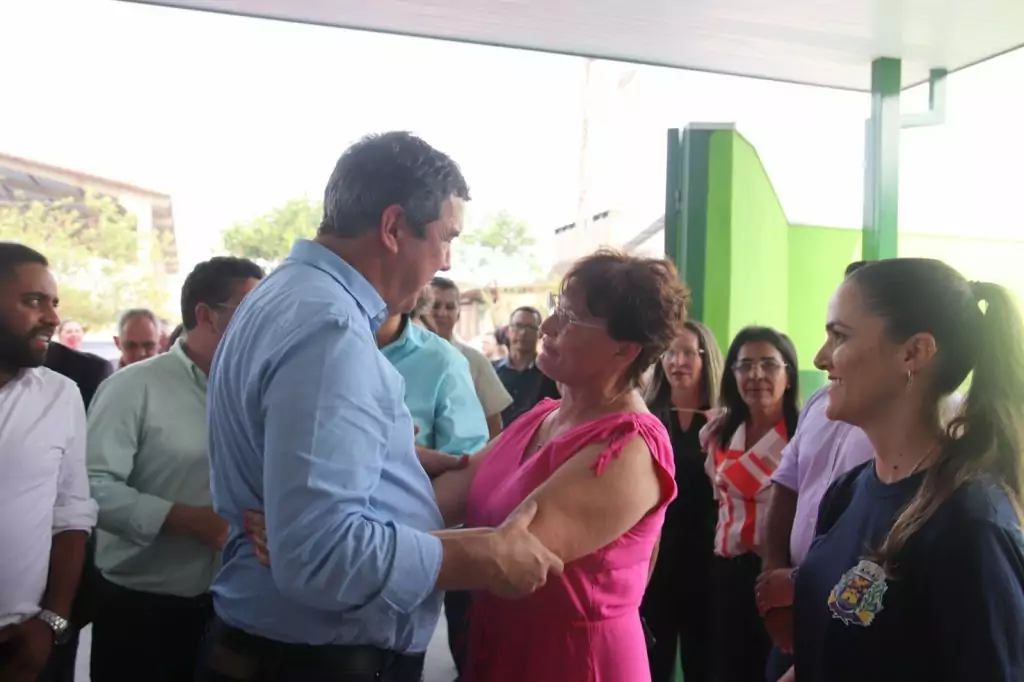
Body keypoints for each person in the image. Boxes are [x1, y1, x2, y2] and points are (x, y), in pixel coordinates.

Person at [198, 131, 562, 682]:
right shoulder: (331, 331)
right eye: (446, 238)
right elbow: (320, 556)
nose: (446, 261)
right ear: (393, 227)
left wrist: (396, 462)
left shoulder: (287, 297)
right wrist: (479, 556)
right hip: (312, 662)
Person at [784, 258, 1024, 682]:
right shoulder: (847, 492)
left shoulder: (969, 525)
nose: (821, 358)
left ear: (914, 352)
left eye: (840, 336)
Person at [86, 257, 263, 682]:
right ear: (206, 315)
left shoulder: (259, 391)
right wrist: (180, 518)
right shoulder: (132, 387)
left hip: (234, 608)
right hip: (142, 611)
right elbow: (89, 487)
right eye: (253, 310)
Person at [0, 243, 97, 682]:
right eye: (34, 301)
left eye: (53, 303)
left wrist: (52, 621)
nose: (53, 318)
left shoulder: (60, 395)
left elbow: (71, 513)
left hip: (21, 643)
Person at [701, 326, 799, 682]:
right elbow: (719, 500)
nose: (756, 375)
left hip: (776, 573)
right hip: (726, 571)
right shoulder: (720, 432)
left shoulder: (802, 436)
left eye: (768, 364)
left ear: (788, 375)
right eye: (745, 365)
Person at [640, 321, 723, 682]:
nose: (677, 361)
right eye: (670, 353)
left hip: (707, 559)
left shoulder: (723, 421)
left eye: (688, 352)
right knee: (651, 661)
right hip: (655, 556)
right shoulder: (646, 415)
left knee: (702, 662)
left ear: (706, 359)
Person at [429, 276, 513, 439]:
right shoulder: (400, 355)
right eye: (435, 305)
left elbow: (493, 422)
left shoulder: (475, 361)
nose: (441, 313)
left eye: (450, 307)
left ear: (458, 314)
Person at [493, 307, 560, 427]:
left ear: (540, 333)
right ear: (508, 331)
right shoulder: (491, 371)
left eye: (531, 327)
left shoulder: (551, 374)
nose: (523, 333)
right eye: (518, 326)